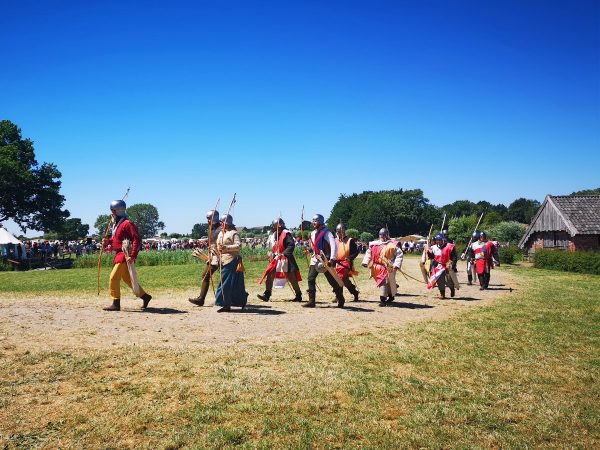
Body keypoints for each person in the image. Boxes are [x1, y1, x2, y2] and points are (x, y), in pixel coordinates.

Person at [102, 200, 152, 311]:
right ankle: (145, 296)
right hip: (119, 254)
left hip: (124, 256)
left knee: (113, 278)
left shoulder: (127, 223)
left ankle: (116, 303)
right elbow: (117, 239)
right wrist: (108, 241)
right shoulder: (117, 224)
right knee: (128, 280)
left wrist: (132, 255)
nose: (112, 213)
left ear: (118, 210)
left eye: (113, 211)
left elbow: (136, 239)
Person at [304, 214, 345, 308]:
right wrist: (309, 251)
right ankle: (311, 301)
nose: (314, 222)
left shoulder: (327, 233)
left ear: (321, 221)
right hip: (316, 259)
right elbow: (314, 246)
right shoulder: (313, 233)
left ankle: (340, 298)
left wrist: (332, 259)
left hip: (325, 260)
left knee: (332, 281)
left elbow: (333, 245)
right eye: (313, 220)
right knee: (310, 278)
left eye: (316, 220)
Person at [258, 218, 303, 302]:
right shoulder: (274, 235)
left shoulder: (286, 234)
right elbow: (273, 247)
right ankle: (267, 294)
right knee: (270, 274)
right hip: (277, 258)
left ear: (281, 226)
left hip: (287, 258)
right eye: (274, 227)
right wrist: (272, 254)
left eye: (276, 226)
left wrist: (284, 253)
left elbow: (291, 245)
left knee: (291, 277)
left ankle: (298, 295)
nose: (275, 228)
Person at [214, 214, 248, 312]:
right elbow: (218, 246)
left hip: (232, 260)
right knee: (234, 283)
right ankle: (238, 301)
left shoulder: (234, 233)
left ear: (226, 223)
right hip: (222, 260)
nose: (220, 223)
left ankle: (225, 304)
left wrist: (226, 248)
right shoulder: (221, 233)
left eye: (222, 222)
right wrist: (215, 250)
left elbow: (238, 246)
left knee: (226, 283)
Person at [361, 228, 404, 307]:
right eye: (381, 235)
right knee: (388, 283)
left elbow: (399, 255)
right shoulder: (374, 244)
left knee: (383, 282)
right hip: (376, 267)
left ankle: (382, 299)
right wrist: (365, 262)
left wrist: (396, 265)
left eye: (384, 235)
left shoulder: (392, 245)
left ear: (387, 235)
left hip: (387, 267)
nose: (382, 236)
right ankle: (391, 295)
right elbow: (368, 253)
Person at [189, 209, 221, 306]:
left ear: (214, 218)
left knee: (224, 278)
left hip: (220, 257)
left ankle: (201, 299)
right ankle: (201, 299)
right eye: (207, 219)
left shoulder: (220, 229)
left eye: (209, 219)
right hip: (213, 257)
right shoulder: (212, 229)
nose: (208, 221)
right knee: (206, 275)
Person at [334, 223, 360, 302]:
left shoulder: (350, 240)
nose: (340, 233)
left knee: (339, 278)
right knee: (345, 281)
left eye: (341, 232)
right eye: (338, 232)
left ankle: (339, 296)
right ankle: (355, 292)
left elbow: (355, 252)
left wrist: (350, 257)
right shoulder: (335, 241)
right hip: (337, 263)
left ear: (344, 231)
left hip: (346, 263)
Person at [426, 233, 457, 298]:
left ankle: (452, 289)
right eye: (437, 240)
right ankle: (442, 294)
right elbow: (432, 257)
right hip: (438, 266)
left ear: (443, 240)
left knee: (449, 280)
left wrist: (453, 264)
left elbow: (454, 256)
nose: (438, 241)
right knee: (440, 281)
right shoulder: (433, 247)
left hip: (447, 265)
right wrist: (429, 252)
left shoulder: (449, 246)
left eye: (439, 240)